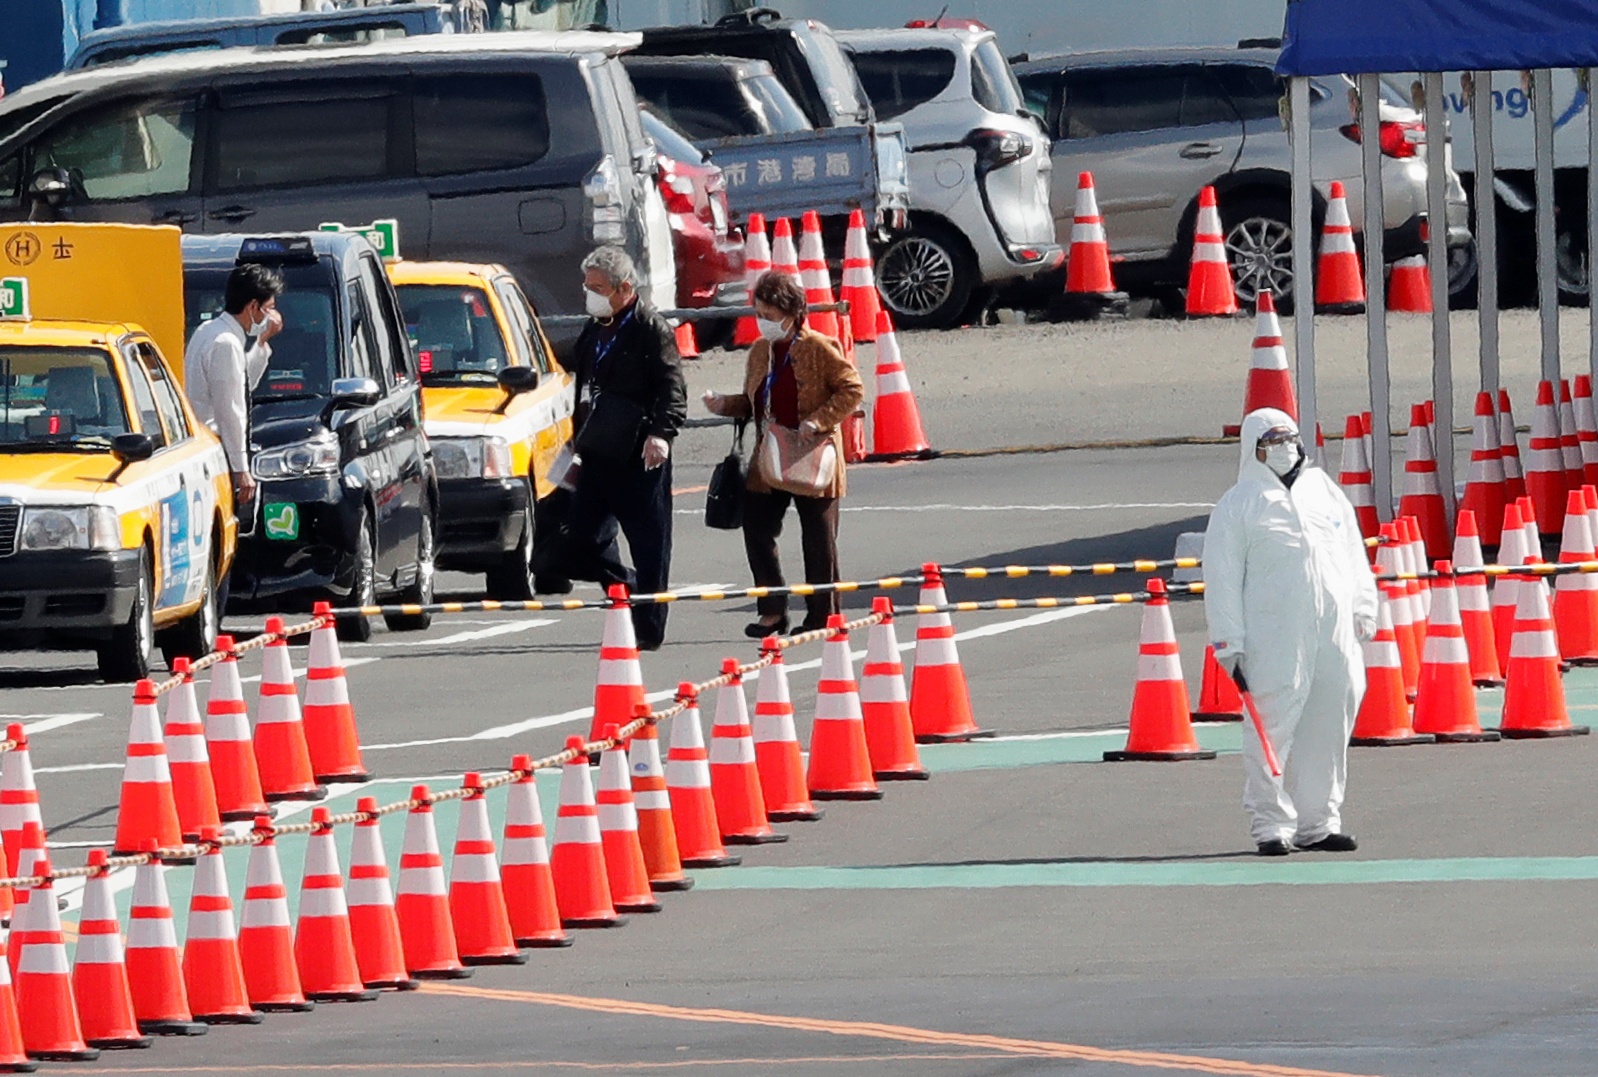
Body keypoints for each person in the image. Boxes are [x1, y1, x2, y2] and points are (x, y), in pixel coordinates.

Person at [1203, 408, 1378, 856]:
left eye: (1289, 438)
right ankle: (1271, 824)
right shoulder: (1239, 505)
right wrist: (1229, 643)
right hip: (1273, 636)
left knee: (1331, 721)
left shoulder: (1325, 492)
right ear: (1254, 450)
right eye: (1272, 441)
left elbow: (1353, 553)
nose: (1283, 448)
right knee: (1271, 726)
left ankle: (1319, 821)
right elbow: (1221, 579)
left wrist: (1364, 606)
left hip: (1334, 631)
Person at [703, 270, 863, 637]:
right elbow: (751, 401)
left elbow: (852, 389)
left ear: (792, 313)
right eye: (759, 314)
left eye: (770, 316)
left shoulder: (820, 347)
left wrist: (818, 421)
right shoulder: (761, 351)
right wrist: (723, 404)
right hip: (770, 453)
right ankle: (772, 610)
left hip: (813, 454)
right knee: (757, 529)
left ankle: (822, 617)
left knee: (819, 539)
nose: (763, 323)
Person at [562, 246, 686, 650]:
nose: (589, 294)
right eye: (586, 287)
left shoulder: (651, 329)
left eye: (598, 288)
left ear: (624, 288)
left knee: (651, 544)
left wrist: (661, 434)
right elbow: (582, 383)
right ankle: (623, 582)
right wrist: (573, 435)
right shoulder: (593, 327)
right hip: (597, 448)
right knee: (581, 538)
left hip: (639, 452)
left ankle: (648, 629)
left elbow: (673, 390)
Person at [184, 263, 284, 514]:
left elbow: (241, 381)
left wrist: (261, 343)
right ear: (252, 307)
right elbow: (231, 409)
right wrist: (242, 469)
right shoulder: (226, 343)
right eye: (269, 309)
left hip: (202, 446)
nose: (270, 317)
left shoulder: (208, 330)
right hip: (214, 450)